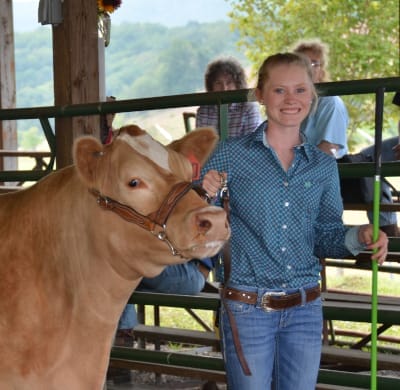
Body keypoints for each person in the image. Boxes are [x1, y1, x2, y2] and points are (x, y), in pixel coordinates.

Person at [200, 52, 388, 390]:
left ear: (312, 95)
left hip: (305, 307)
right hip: (247, 306)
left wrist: (359, 236)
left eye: (300, 90)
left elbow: (325, 235)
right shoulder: (229, 153)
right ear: (259, 94)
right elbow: (198, 221)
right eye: (279, 90)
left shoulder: (323, 166)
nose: (291, 100)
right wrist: (205, 193)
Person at [293, 39, 399, 236]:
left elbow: (328, 150)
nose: (307, 68)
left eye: (313, 63)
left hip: (328, 172)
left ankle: (380, 236)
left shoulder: (328, 101)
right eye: (301, 63)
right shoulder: (294, 104)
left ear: (321, 69)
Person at [196, 56, 263, 137]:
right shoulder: (204, 111)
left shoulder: (249, 108)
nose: (224, 88)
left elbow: (253, 145)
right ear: (211, 86)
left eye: (229, 82)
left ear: (237, 84)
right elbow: (200, 146)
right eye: (218, 83)